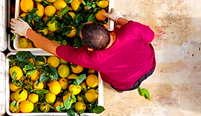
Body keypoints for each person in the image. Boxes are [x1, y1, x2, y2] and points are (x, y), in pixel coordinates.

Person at [9, 9, 156, 92]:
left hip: (127, 84)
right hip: (150, 66)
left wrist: (27, 32)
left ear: (90, 48)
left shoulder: (90, 58)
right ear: (105, 27)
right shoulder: (131, 29)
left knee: (119, 85)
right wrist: (119, 20)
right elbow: (151, 36)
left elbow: (54, 48)